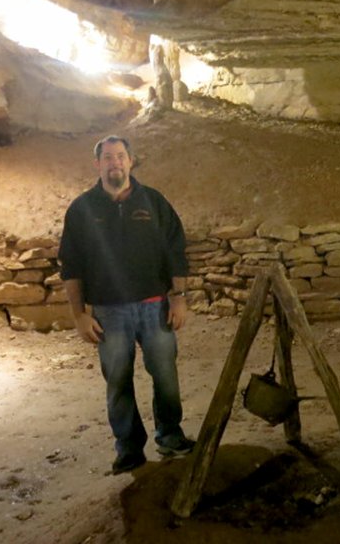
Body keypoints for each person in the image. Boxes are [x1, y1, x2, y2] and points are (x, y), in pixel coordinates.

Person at [58, 135, 194, 475]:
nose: (114, 162)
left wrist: (178, 297)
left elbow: (176, 251)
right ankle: (130, 449)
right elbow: (71, 266)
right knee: (117, 381)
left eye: (120, 156)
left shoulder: (153, 202)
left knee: (165, 375)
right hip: (109, 311)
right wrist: (79, 316)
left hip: (155, 307)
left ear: (131, 161)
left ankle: (170, 436)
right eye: (107, 157)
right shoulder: (82, 210)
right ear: (98, 164)